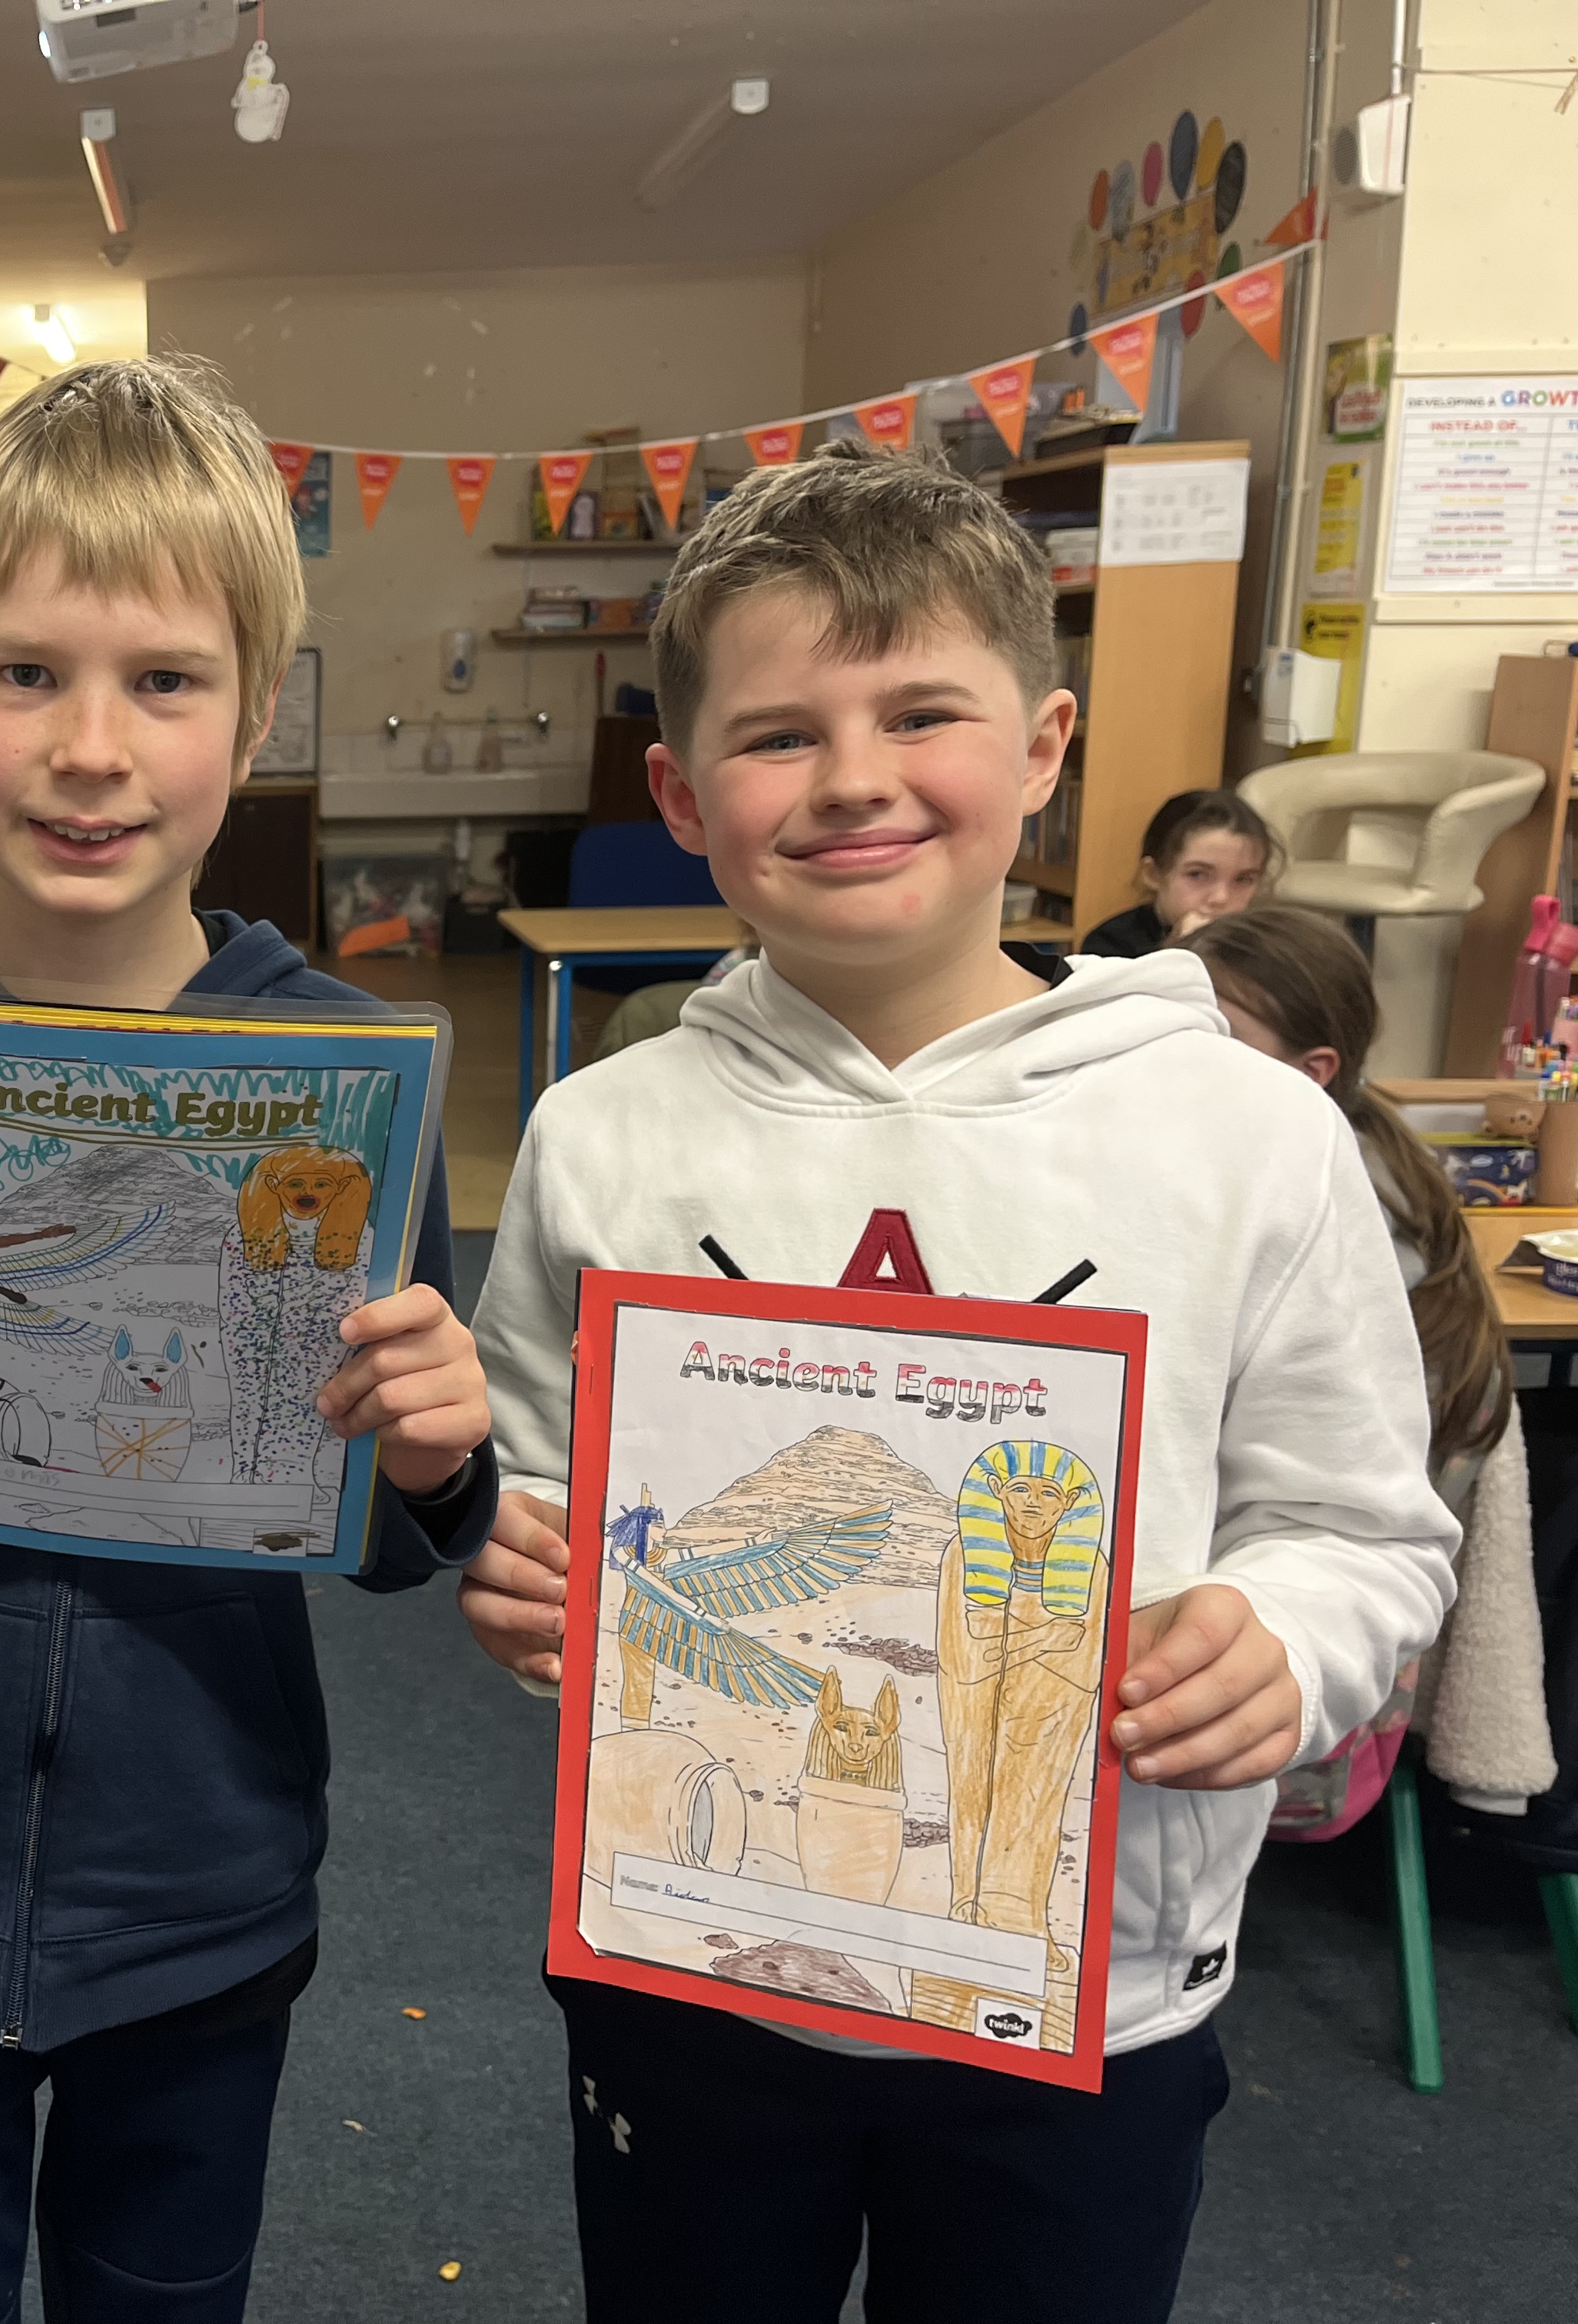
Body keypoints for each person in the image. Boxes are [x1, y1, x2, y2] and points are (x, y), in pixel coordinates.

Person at [459, 437, 1457, 2324]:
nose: (854, 778)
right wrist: (531, 1571)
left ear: (1047, 746)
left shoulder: (1249, 1137)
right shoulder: (604, 1138)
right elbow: (547, 1482)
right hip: (698, 1965)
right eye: (778, 735)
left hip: (1089, 1994)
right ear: (681, 793)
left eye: (922, 714)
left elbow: (1363, 1533)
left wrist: (1281, 1637)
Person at [0, 356, 500, 2324]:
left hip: (199, 1889)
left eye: (166, 682)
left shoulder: (342, 1080)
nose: (91, 749)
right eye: (28, 674)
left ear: (256, 712)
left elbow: (392, 1522)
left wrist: (439, 1458)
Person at [1176, 905, 1552, 1831]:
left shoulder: (1331, 1225)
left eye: (1211, 1036)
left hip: (1289, 1719)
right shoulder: (1380, 1162)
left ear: (1313, 1075)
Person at [1078, 786, 1279, 956]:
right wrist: (1181, 950)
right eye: (1198, 875)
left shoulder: (1264, 947)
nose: (1221, 898)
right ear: (1154, 874)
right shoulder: (1109, 944)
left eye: (1243, 879)